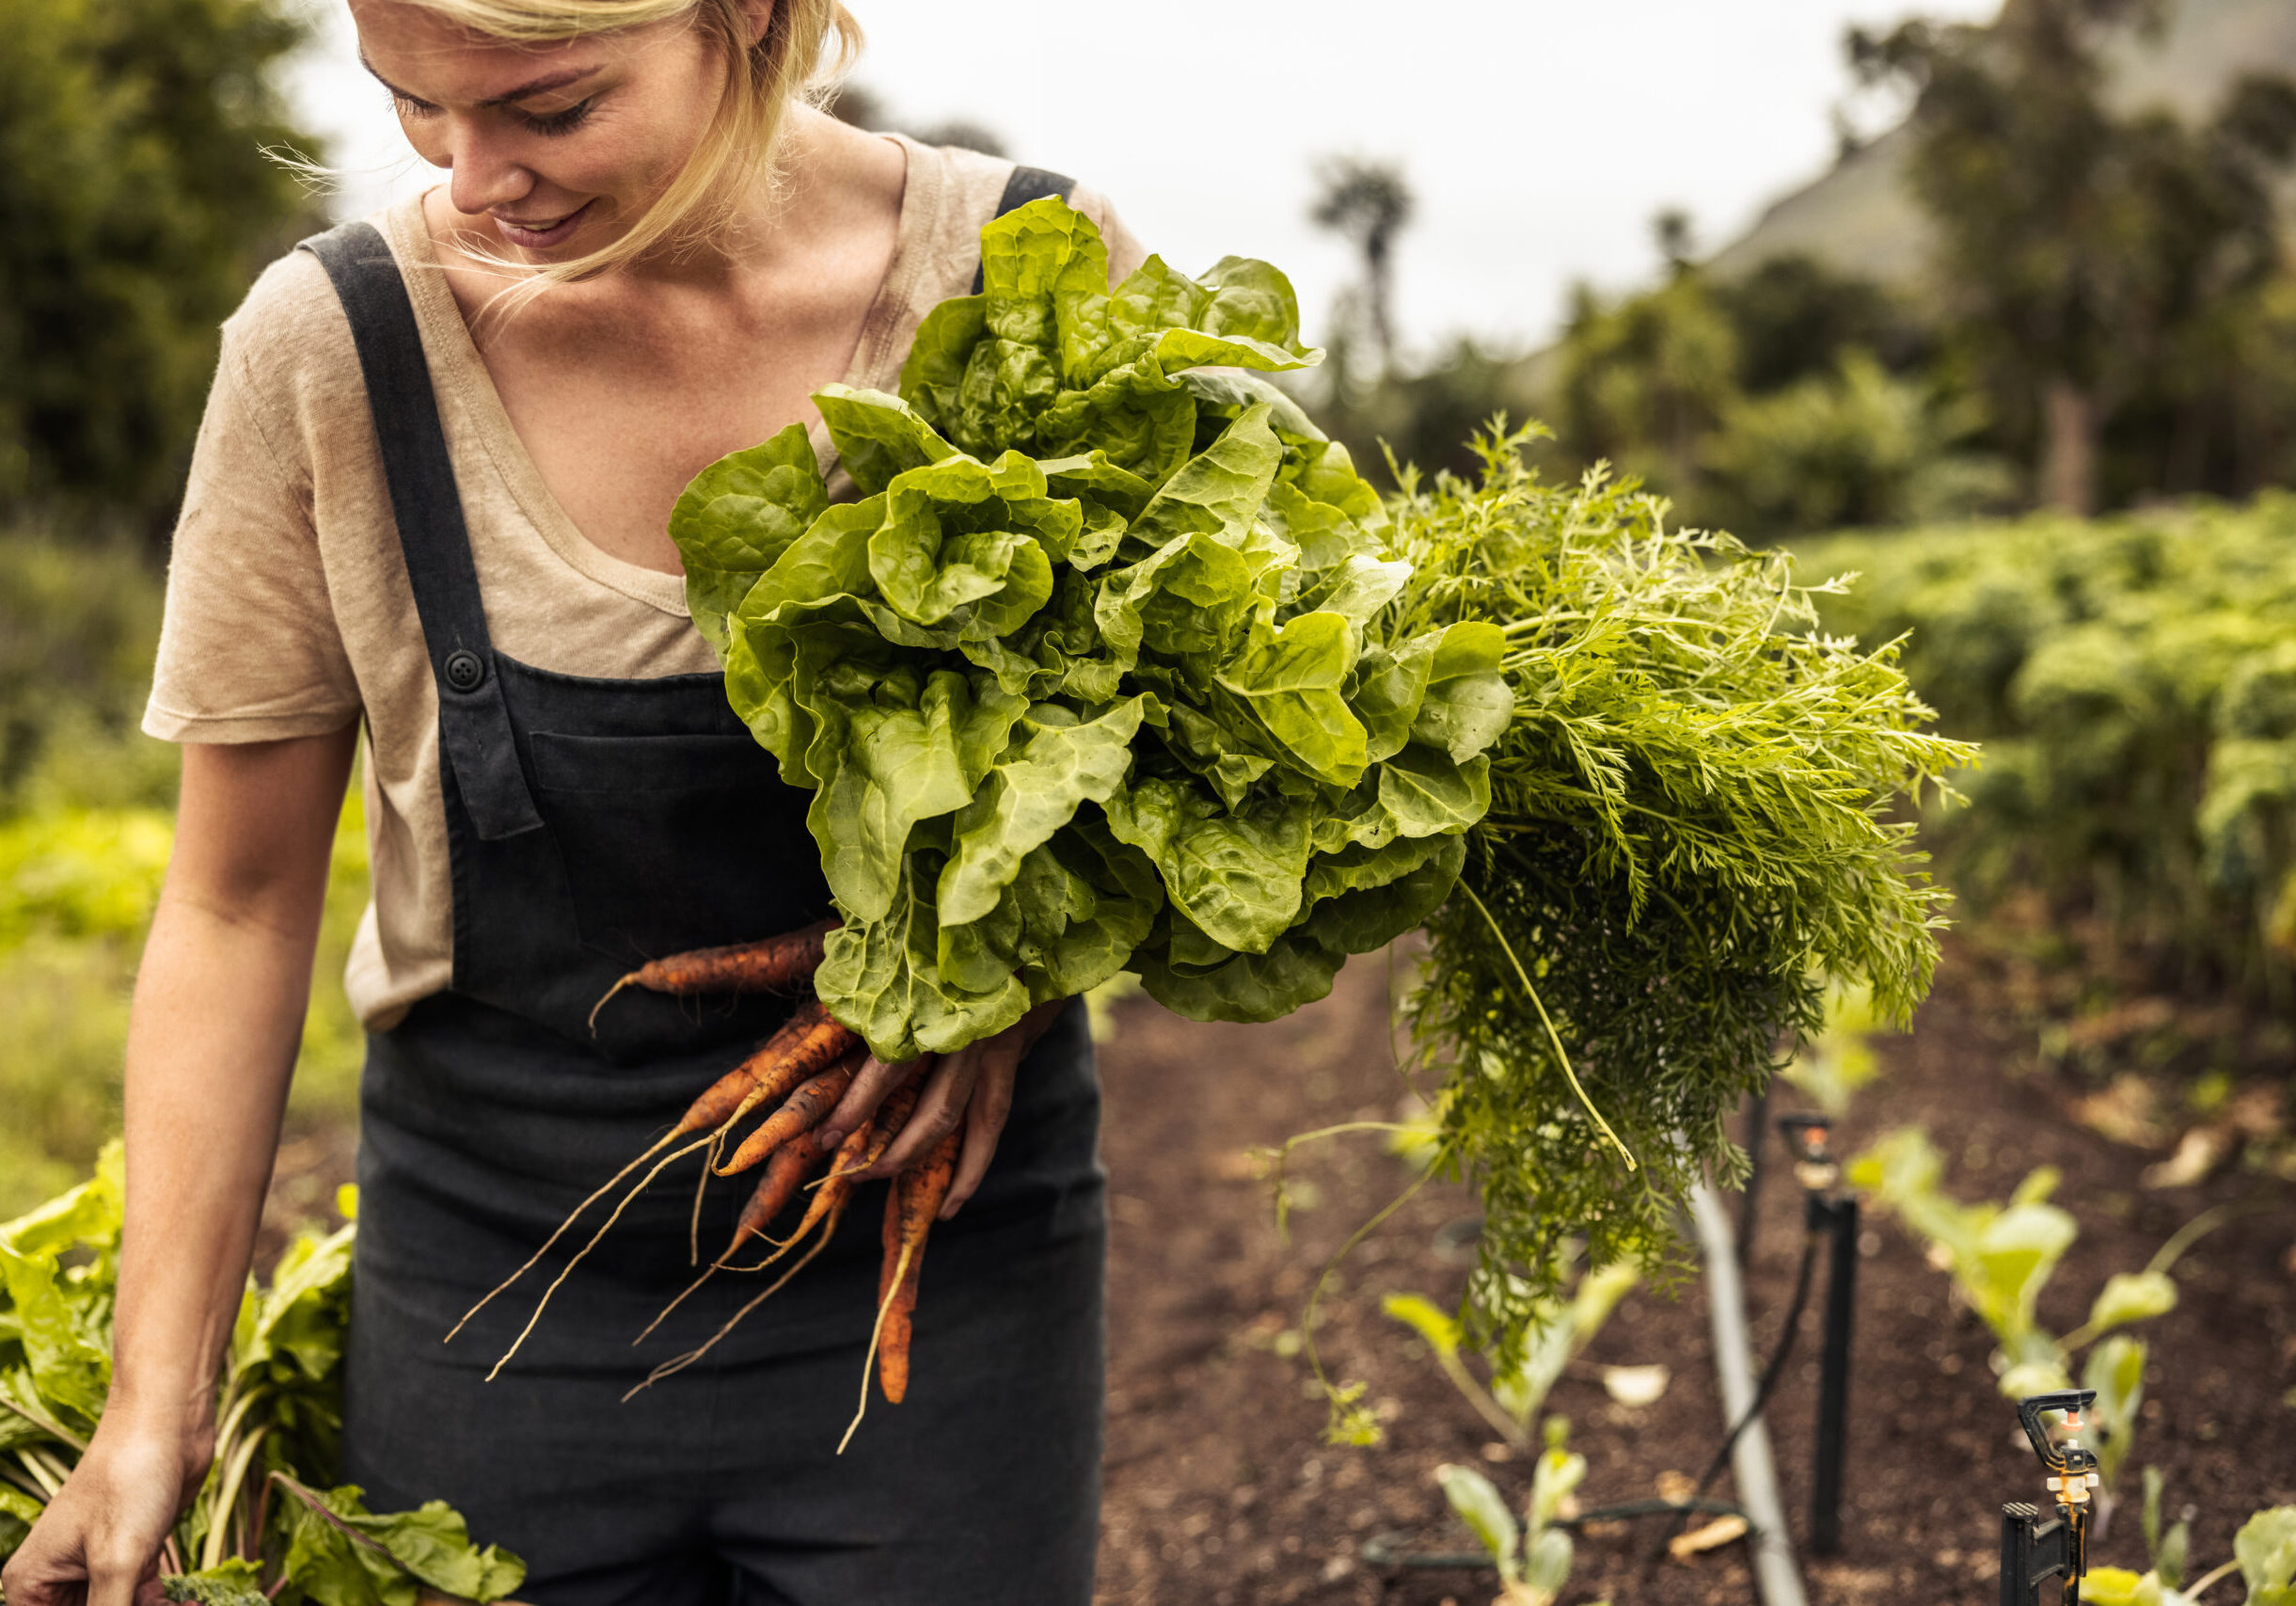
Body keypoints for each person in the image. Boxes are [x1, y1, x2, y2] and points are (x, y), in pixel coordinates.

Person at [2, 3, 1147, 1602]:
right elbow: (234, 898)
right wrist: (150, 1403)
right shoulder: (336, 345)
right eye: (415, 107)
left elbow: (1196, 770)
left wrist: (990, 984)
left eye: (550, 107)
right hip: (493, 1305)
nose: (479, 182)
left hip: (933, 1293)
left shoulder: (1026, 275)